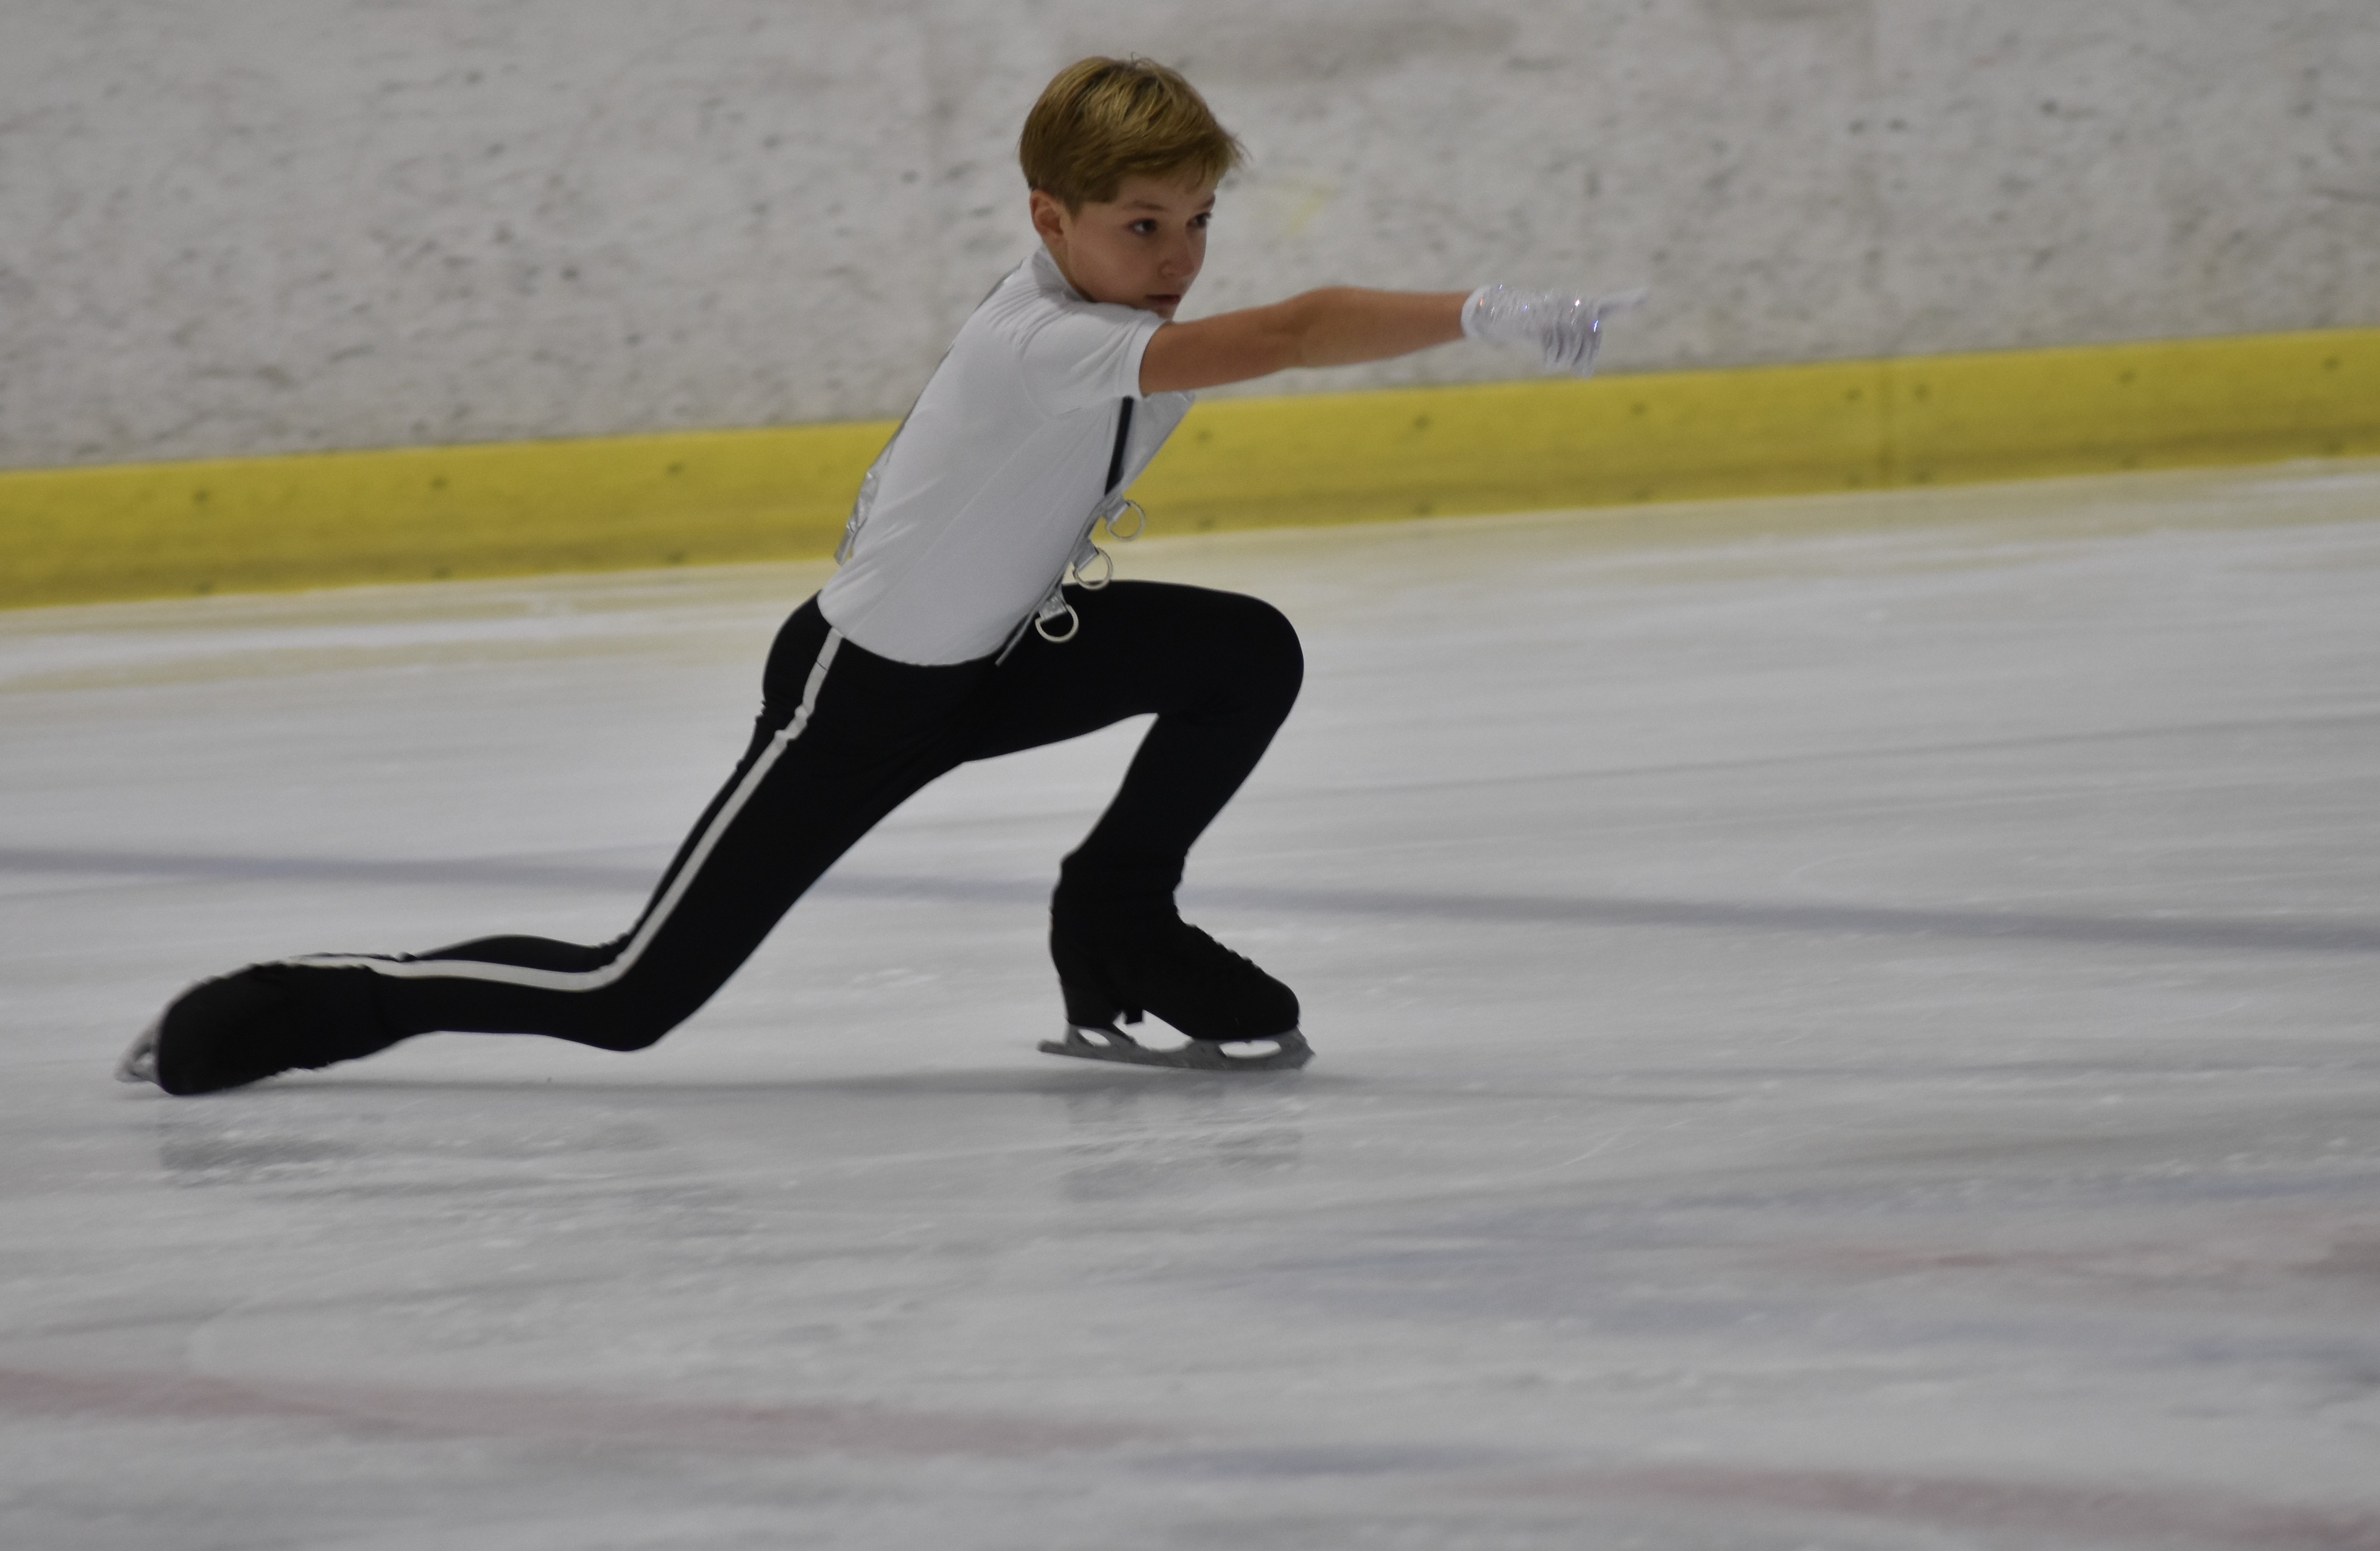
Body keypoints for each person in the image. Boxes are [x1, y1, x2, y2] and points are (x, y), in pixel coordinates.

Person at [118, 56, 1640, 1093]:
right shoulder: (1048, 340)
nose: (1178, 255)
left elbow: (1264, 331)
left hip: (1005, 657)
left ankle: (1118, 917)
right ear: (1053, 223)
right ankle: (298, 1004)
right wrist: (1487, 310)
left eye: (1195, 223)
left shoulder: (1120, 311)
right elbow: (1299, 332)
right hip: (859, 701)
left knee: (1245, 650)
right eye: (1142, 226)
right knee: (631, 996)